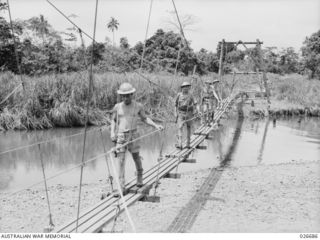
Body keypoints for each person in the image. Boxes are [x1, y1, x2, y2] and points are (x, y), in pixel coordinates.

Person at [110, 82, 163, 196]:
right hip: (121, 136)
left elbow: (145, 119)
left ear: (132, 94)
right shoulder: (117, 107)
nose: (126, 98)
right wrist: (112, 133)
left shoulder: (138, 106)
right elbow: (113, 121)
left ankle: (139, 177)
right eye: (123, 96)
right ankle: (121, 186)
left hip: (133, 135)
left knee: (136, 157)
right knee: (121, 161)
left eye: (128, 95)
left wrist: (155, 125)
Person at [175, 81, 198, 149]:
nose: (186, 88)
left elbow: (195, 103)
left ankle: (188, 143)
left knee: (188, 127)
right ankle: (180, 143)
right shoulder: (179, 95)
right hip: (181, 113)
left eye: (187, 87)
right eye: (184, 87)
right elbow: (175, 105)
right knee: (180, 127)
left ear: (189, 88)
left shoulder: (191, 95)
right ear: (182, 88)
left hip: (189, 113)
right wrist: (175, 113)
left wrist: (197, 110)